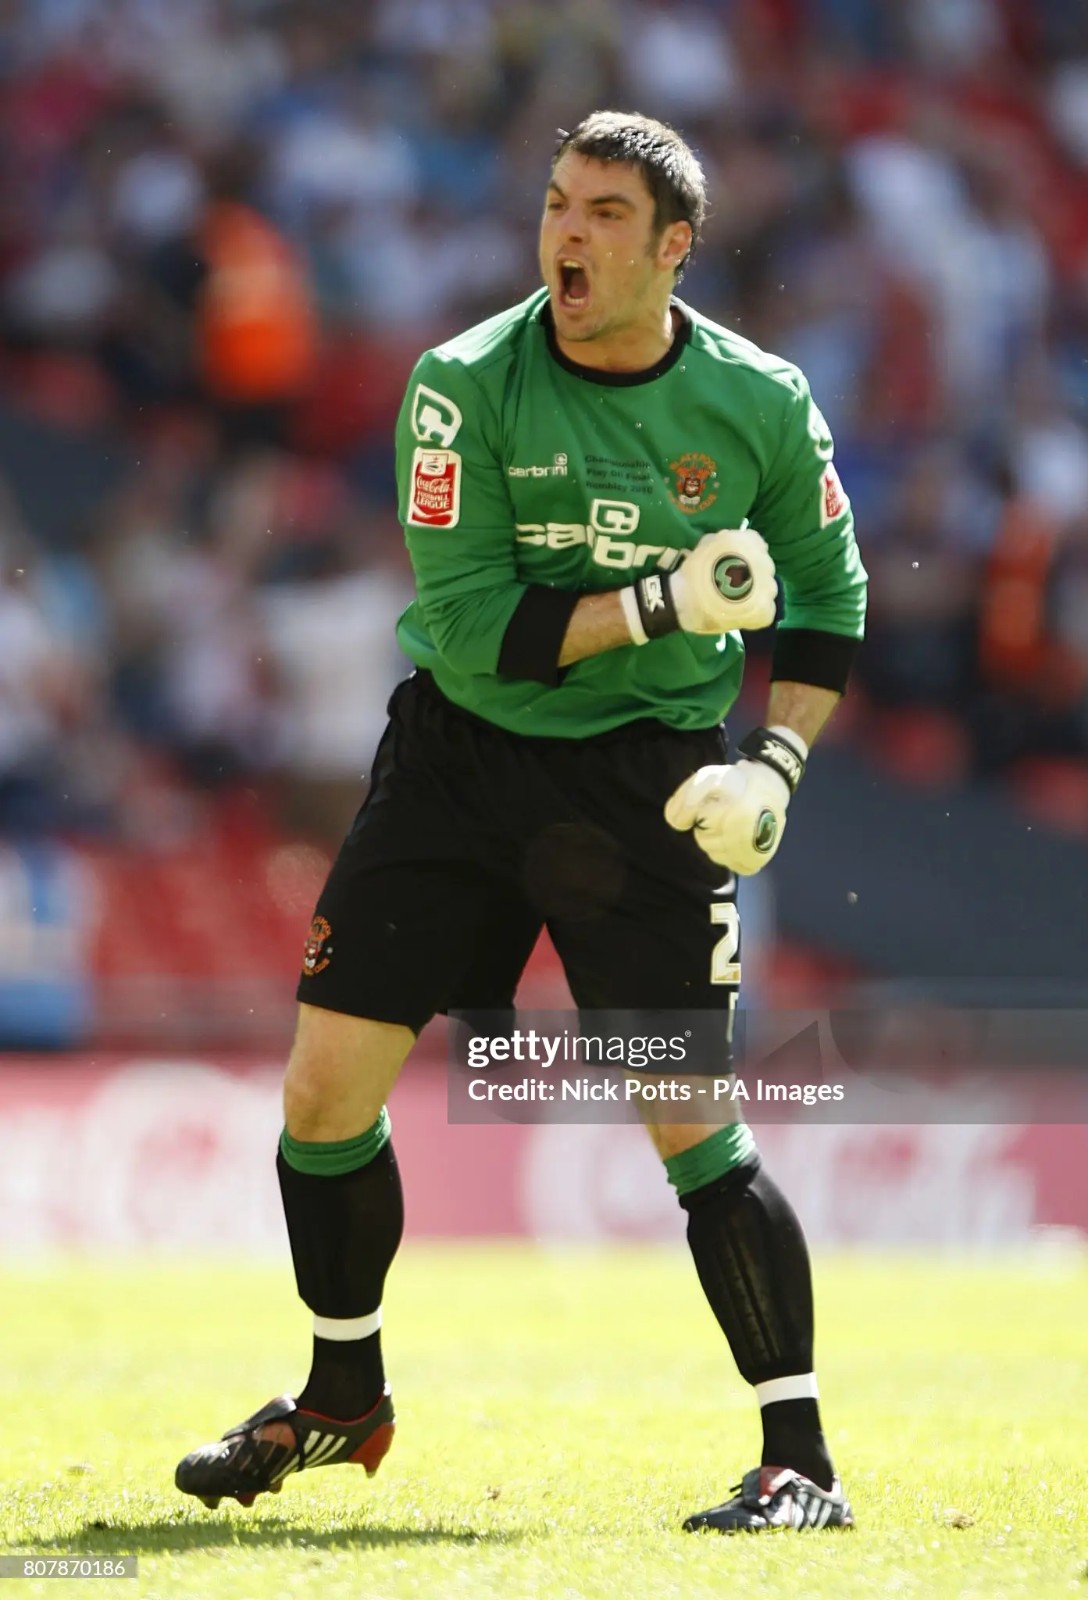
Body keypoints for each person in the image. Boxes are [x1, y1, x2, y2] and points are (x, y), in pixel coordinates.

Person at [176, 110, 867, 1534]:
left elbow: (830, 603)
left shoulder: (759, 402)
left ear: (674, 251)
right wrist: (671, 602)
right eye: (560, 203)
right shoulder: (462, 384)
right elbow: (482, 628)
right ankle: (341, 1400)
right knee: (321, 1098)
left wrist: (778, 770)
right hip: (460, 763)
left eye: (609, 215)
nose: (569, 233)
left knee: (692, 1125)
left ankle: (799, 1458)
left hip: (645, 781)